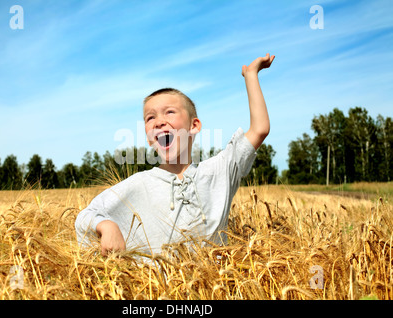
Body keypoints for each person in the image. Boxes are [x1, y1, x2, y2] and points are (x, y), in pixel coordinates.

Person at [75, 53, 275, 256]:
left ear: (194, 125)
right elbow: (86, 216)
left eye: (169, 112)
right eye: (150, 117)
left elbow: (259, 129)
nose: (159, 121)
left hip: (216, 284)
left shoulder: (220, 171)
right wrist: (106, 225)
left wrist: (251, 75)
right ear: (149, 138)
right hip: (156, 287)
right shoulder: (139, 184)